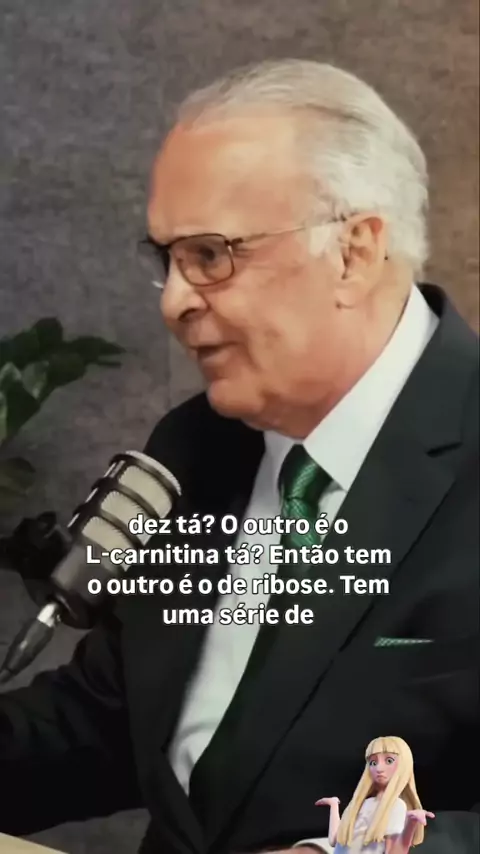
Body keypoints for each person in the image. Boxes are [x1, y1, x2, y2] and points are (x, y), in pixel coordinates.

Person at [0, 58, 478, 854]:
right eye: (166, 260)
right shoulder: (193, 449)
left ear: (354, 252)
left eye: (212, 255)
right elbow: (110, 719)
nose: (173, 300)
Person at [315, 736, 434, 852]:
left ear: (404, 765)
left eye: (389, 761)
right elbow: (334, 840)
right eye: (373, 762)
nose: (379, 768)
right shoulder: (363, 803)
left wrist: (411, 823)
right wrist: (334, 805)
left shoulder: (396, 805)